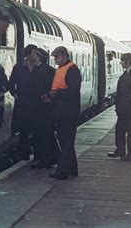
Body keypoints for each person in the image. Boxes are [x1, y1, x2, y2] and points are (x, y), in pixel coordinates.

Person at [44, 46, 82, 180]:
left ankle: (62, 170)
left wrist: (56, 93)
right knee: (66, 141)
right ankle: (72, 169)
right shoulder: (61, 69)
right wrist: (50, 95)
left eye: (56, 57)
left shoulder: (72, 70)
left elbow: (73, 91)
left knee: (66, 141)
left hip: (68, 112)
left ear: (64, 55)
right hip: (61, 111)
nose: (55, 60)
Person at [108, 53, 131, 161]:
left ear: (128, 61)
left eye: (122, 61)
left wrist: (124, 103)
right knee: (119, 130)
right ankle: (120, 150)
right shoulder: (127, 73)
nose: (120, 63)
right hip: (123, 109)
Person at [9, 44, 39, 160]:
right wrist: (14, 93)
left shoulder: (38, 67)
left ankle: (37, 153)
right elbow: (11, 83)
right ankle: (25, 152)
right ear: (28, 54)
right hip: (23, 103)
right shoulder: (19, 67)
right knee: (24, 129)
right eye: (34, 53)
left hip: (36, 103)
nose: (36, 55)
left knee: (36, 129)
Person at [30, 48, 57, 169]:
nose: (31, 56)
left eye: (33, 54)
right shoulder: (50, 70)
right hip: (47, 107)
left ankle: (46, 159)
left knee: (43, 134)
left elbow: (37, 89)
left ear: (38, 57)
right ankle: (54, 157)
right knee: (48, 134)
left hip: (41, 107)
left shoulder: (39, 71)